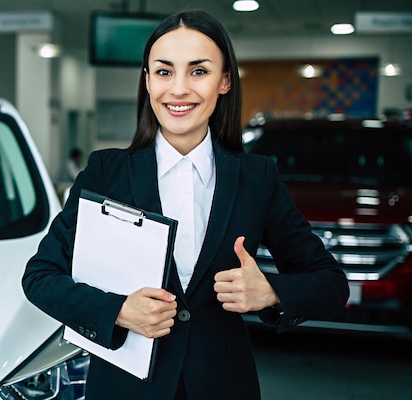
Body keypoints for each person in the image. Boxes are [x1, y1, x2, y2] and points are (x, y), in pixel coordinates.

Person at [22, 9, 349, 400]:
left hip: (222, 385)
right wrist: (117, 310)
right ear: (147, 81)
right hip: (125, 388)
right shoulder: (107, 172)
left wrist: (271, 292)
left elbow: (331, 284)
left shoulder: (256, 179)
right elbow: (40, 276)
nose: (178, 89)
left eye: (198, 71)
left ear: (225, 81)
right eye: (163, 72)